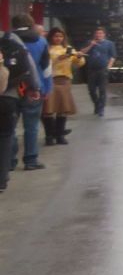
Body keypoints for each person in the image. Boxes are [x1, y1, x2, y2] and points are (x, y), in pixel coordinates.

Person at [0, 24, 41, 193]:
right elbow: (28, 65)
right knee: (5, 136)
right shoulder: (12, 41)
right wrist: (34, 87)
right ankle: (2, 177)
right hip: (9, 96)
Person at [9, 17, 48, 172]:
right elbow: (45, 68)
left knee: (9, 128)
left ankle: (9, 160)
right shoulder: (40, 41)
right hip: (32, 89)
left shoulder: (7, 39)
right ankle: (30, 160)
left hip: (10, 89)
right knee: (31, 126)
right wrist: (44, 88)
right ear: (31, 24)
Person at [42, 28, 83, 146]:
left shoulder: (68, 48)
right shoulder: (46, 48)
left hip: (65, 81)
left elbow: (79, 63)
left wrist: (79, 56)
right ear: (50, 37)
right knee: (48, 110)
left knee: (62, 109)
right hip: (50, 80)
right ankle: (49, 136)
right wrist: (58, 58)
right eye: (56, 36)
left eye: (60, 36)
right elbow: (44, 63)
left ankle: (60, 135)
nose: (58, 38)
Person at [82, 27, 116, 116]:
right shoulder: (89, 42)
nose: (99, 35)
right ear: (94, 35)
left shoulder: (110, 44)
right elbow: (81, 53)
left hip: (103, 69)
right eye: (97, 33)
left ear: (104, 34)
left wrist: (108, 67)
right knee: (91, 90)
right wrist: (91, 45)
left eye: (100, 33)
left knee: (102, 90)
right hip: (91, 70)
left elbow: (113, 56)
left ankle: (101, 108)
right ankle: (97, 104)